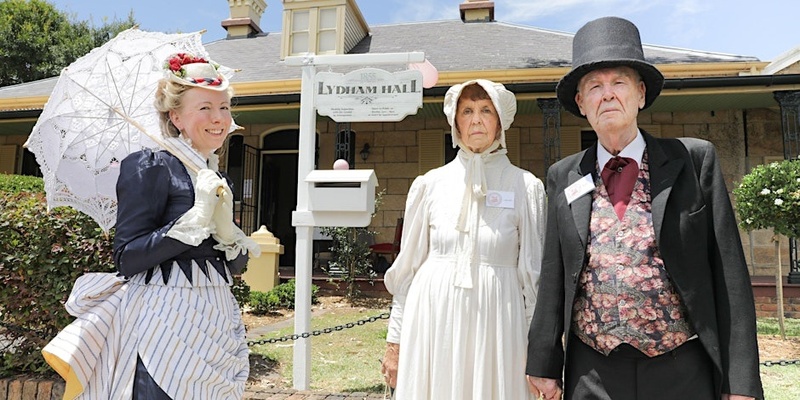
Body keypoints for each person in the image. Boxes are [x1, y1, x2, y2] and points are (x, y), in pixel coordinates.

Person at [525, 16, 764, 400]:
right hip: (593, 370)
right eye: (594, 87)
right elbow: (554, 276)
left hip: (680, 367)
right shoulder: (563, 175)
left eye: (618, 83)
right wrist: (543, 363)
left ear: (640, 94)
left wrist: (741, 382)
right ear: (581, 103)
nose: (607, 95)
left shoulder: (693, 160)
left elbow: (729, 276)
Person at [42, 53, 259, 399]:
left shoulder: (217, 177)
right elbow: (127, 257)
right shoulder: (150, 166)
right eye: (204, 108)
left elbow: (230, 268)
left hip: (215, 319)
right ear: (176, 116)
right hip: (163, 325)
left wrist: (230, 238)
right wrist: (195, 220)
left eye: (224, 107)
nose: (218, 118)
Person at [380, 79, 546, 399]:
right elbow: (407, 272)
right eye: (467, 110)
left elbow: (533, 277)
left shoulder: (526, 187)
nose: (477, 119)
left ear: (500, 120)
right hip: (432, 322)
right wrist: (394, 342)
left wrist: (538, 353)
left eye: (486, 110)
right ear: (455, 121)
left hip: (499, 324)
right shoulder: (429, 185)